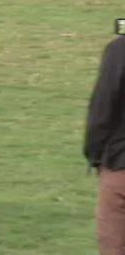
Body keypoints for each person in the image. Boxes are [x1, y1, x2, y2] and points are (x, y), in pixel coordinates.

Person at [84, 32, 125, 255]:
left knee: (114, 246)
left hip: (120, 163)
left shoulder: (121, 48)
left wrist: (96, 155)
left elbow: (102, 109)